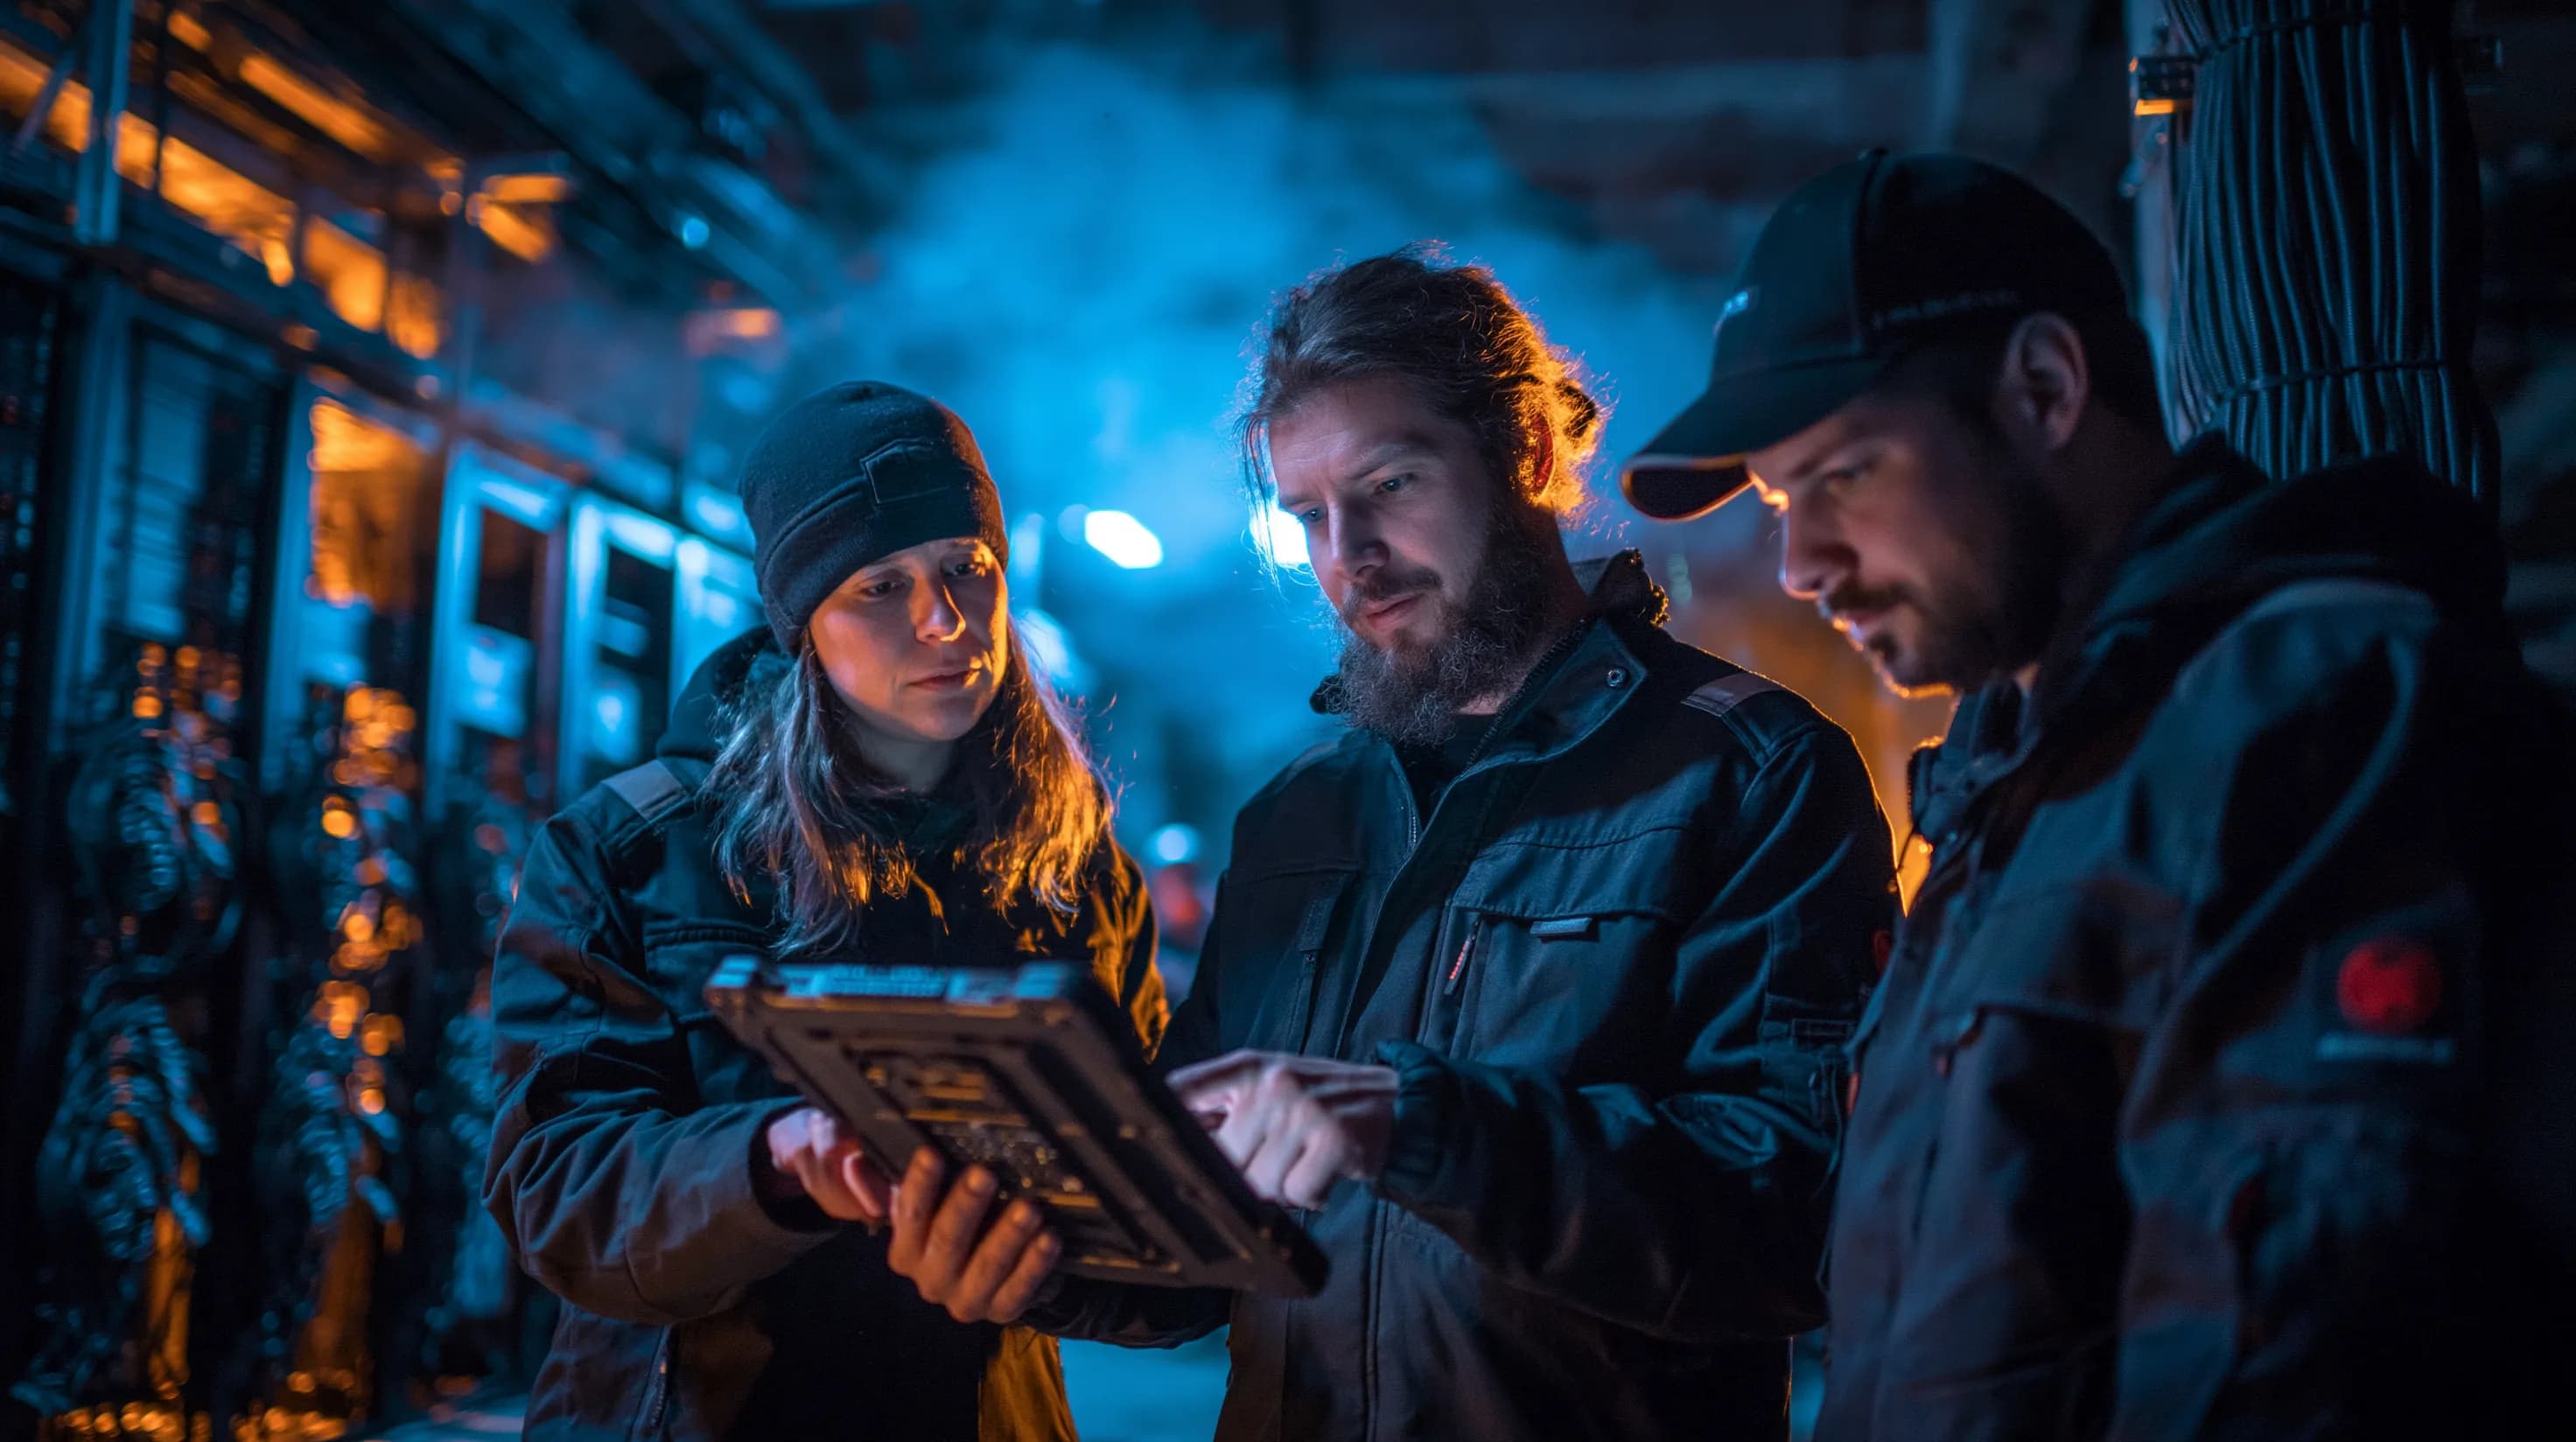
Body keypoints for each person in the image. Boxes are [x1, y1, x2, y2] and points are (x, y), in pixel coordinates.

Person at [1625, 150, 2567, 1439]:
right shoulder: (2015, 783)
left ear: (2046, 389)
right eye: (1783, 504)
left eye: (1843, 475)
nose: (1800, 563)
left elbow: (2301, 1339)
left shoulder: (2310, 713)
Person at [882, 248, 1896, 1442]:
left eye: (1391, 484)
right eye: (1307, 514)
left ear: (1525, 451)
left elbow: (1791, 1224)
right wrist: (1040, 1255)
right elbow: (1210, 1255)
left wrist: (1420, 1125)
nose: (1345, 556)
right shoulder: (1296, 818)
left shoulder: (1751, 773)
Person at [483, 382, 1164, 1442]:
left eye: (965, 568)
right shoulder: (631, 850)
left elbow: (1154, 1221)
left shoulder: (1074, 870)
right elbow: (560, 1194)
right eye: (881, 585)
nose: (945, 621)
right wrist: (785, 1158)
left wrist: (1049, 1255)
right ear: (803, 620)